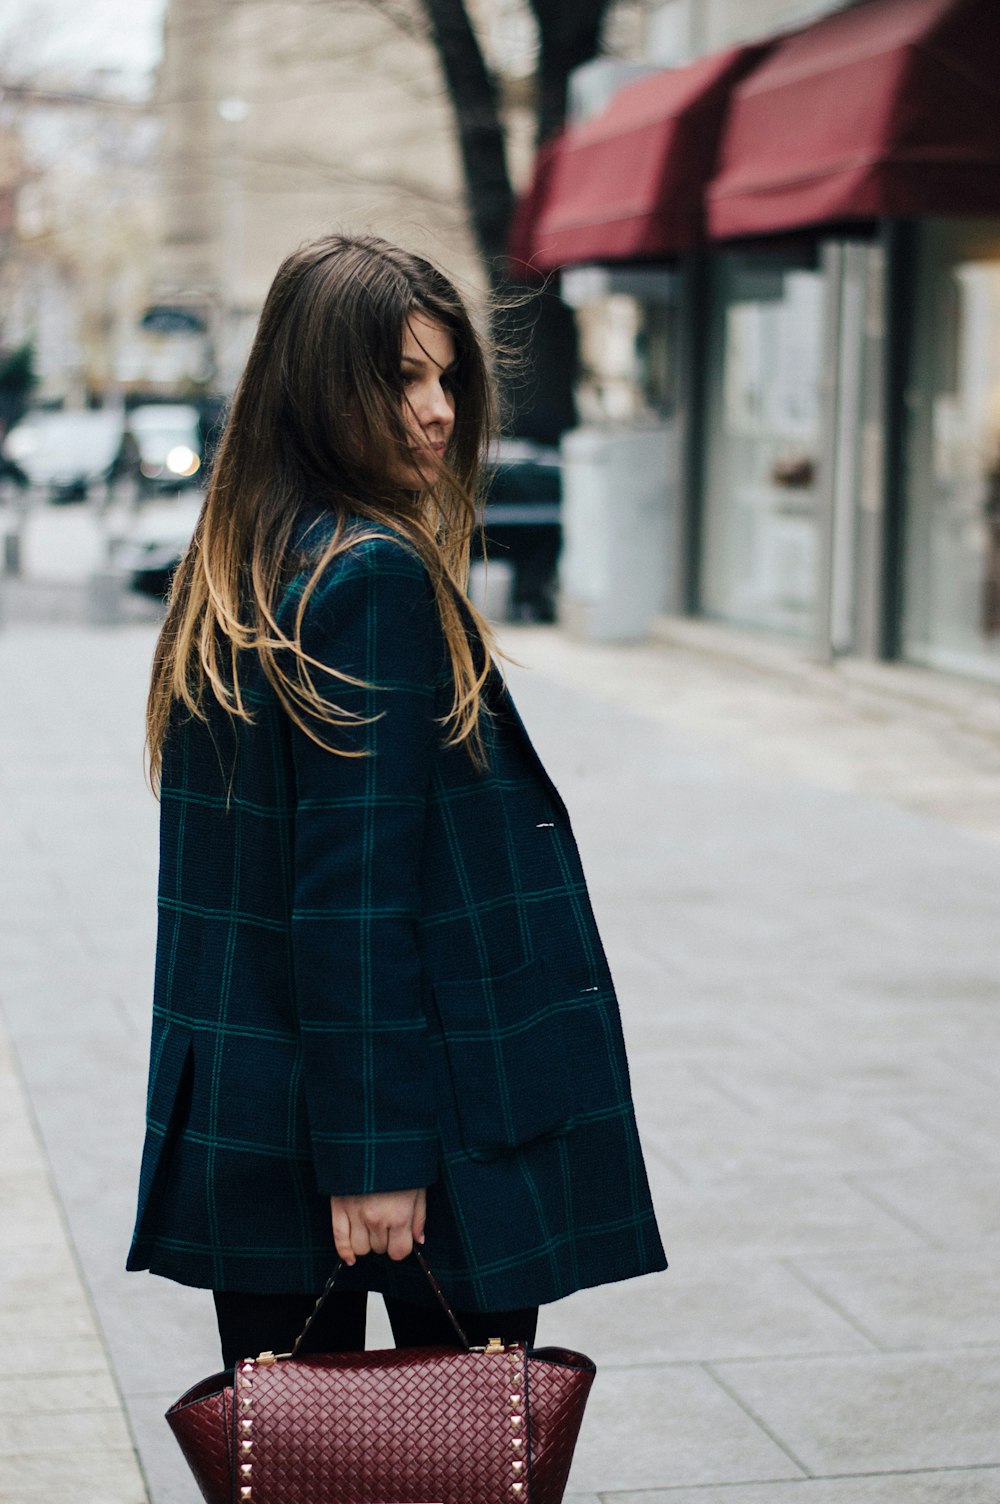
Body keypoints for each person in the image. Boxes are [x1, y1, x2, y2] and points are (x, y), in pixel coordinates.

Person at [127, 234, 666, 1367]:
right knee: (457, 1462)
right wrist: (374, 1154)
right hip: (407, 1118)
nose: (436, 411)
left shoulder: (246, 562)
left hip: (263, 1103)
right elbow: (351, 891)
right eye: (401, 379)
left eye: (446, 377)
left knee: (296, 1464)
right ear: (320, 391)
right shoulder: (366, 576)